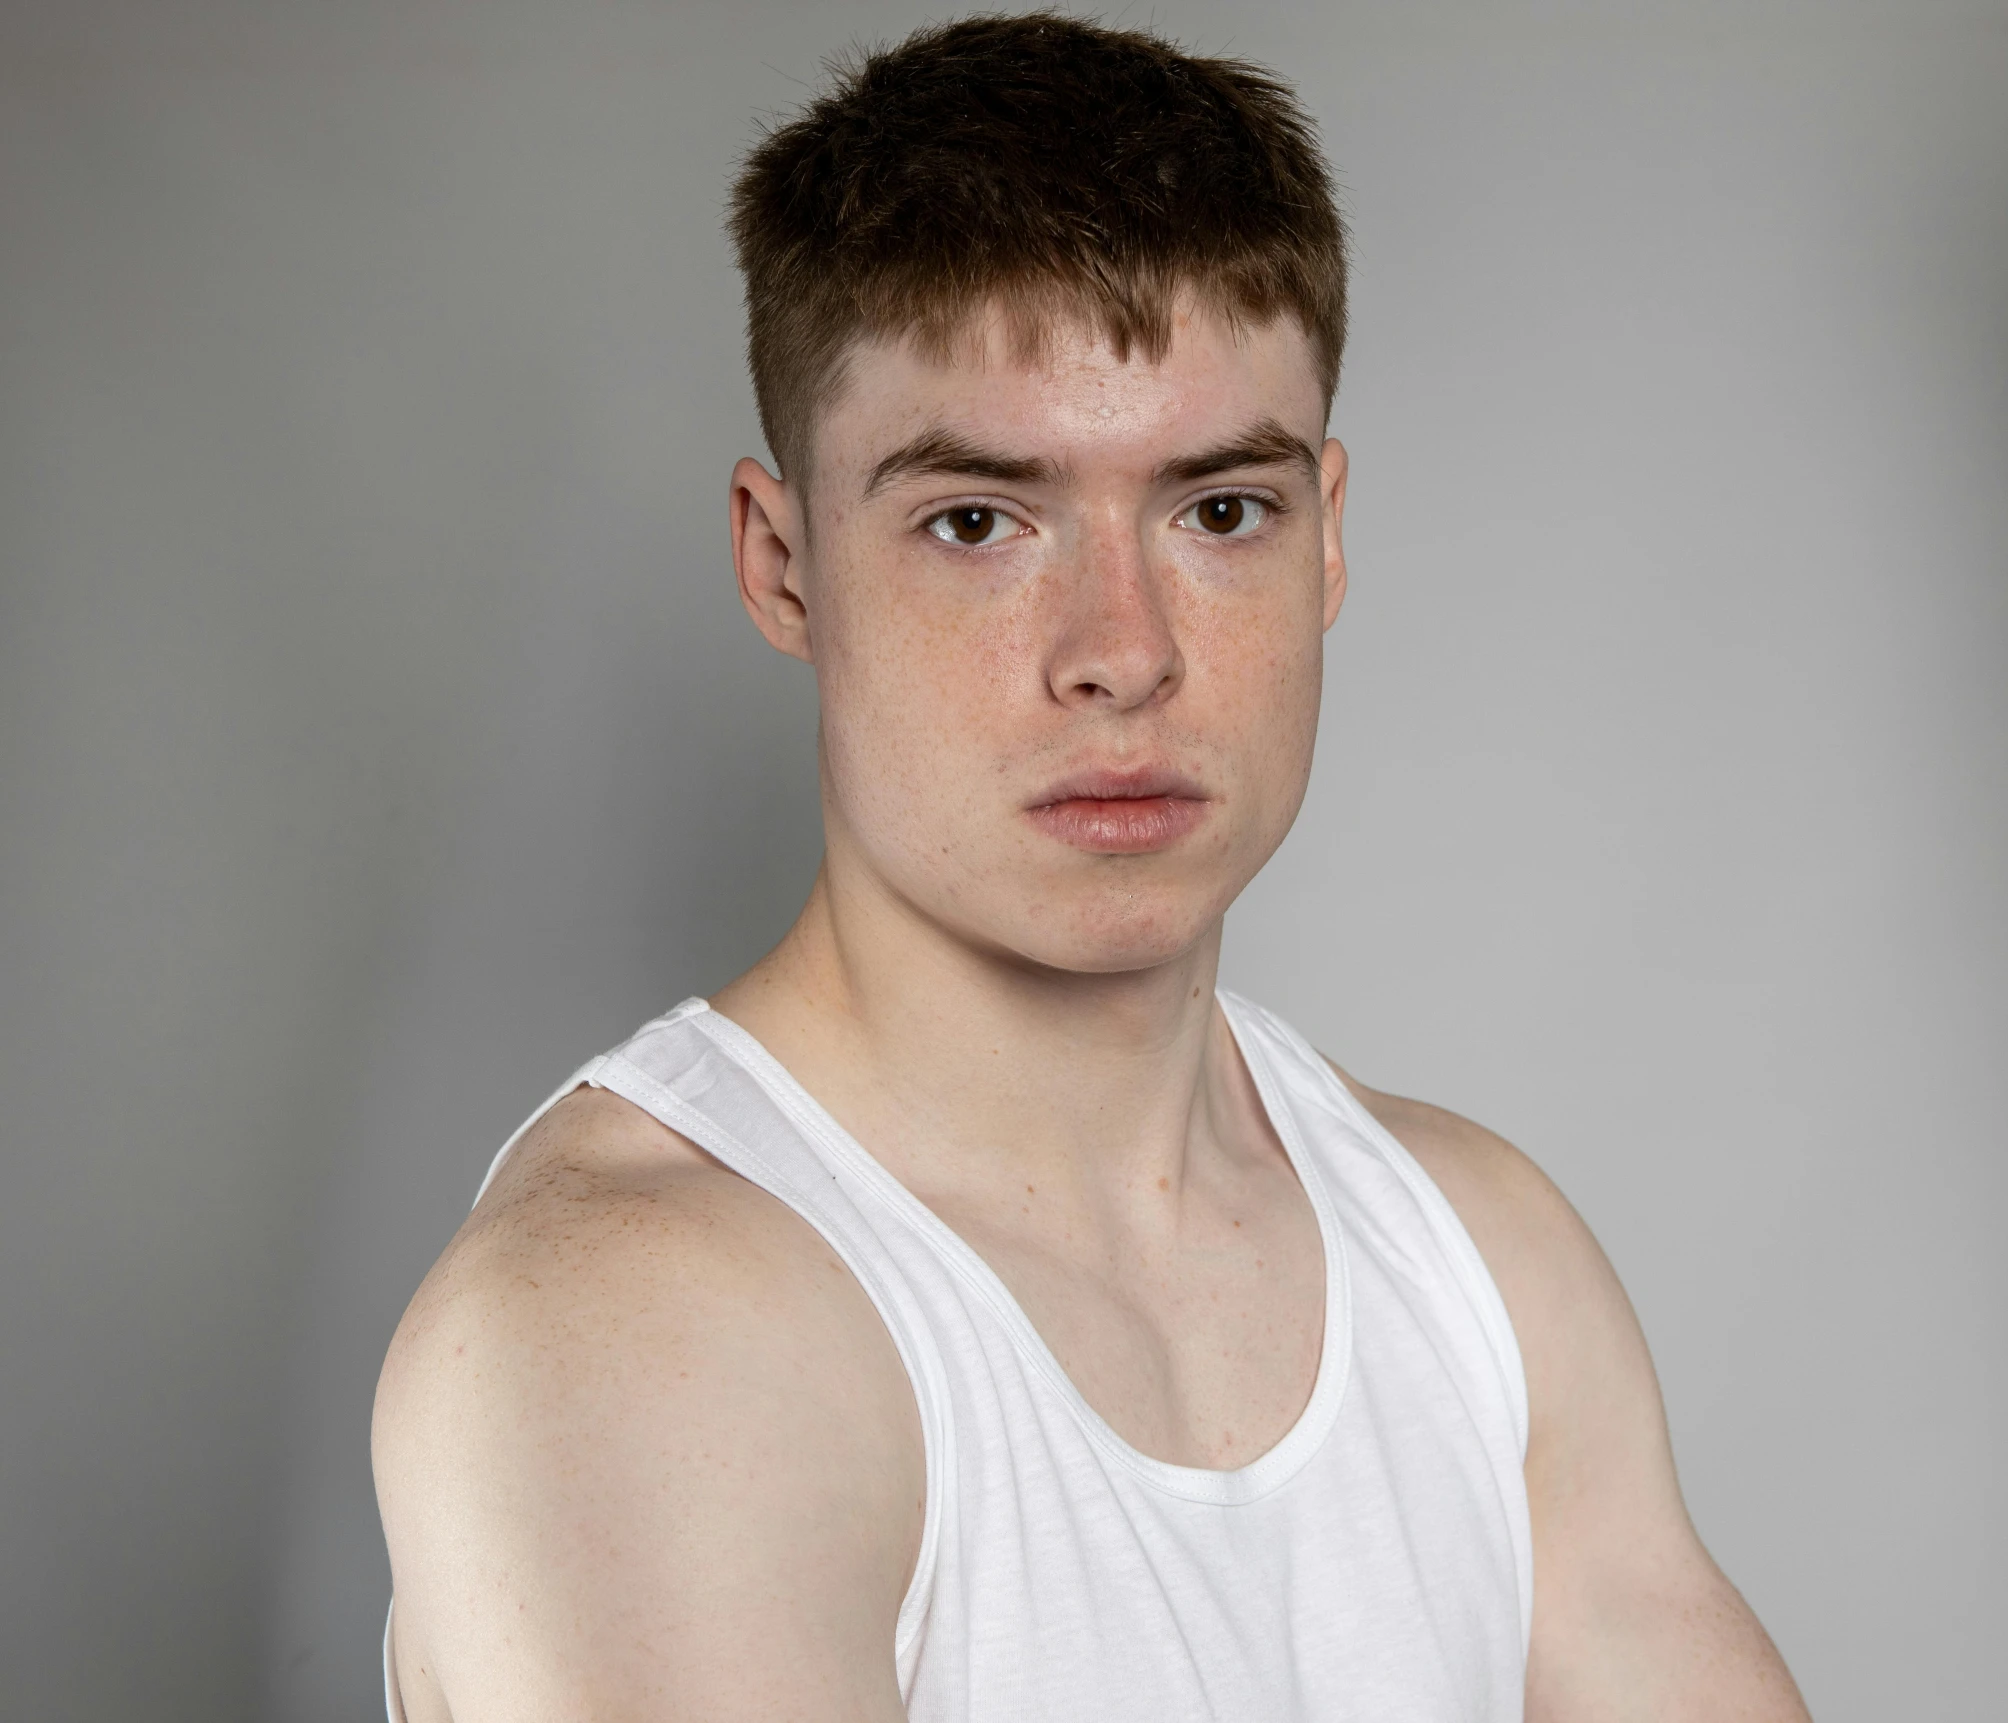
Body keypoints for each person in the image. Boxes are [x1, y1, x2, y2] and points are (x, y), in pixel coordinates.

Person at [371, 15, 1812, 1721]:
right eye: (980, 520)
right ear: (783, 565)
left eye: (1218, 512)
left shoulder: (1486, 1262)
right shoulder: (619, 1330)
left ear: (1328, 538)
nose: (1121, 653)